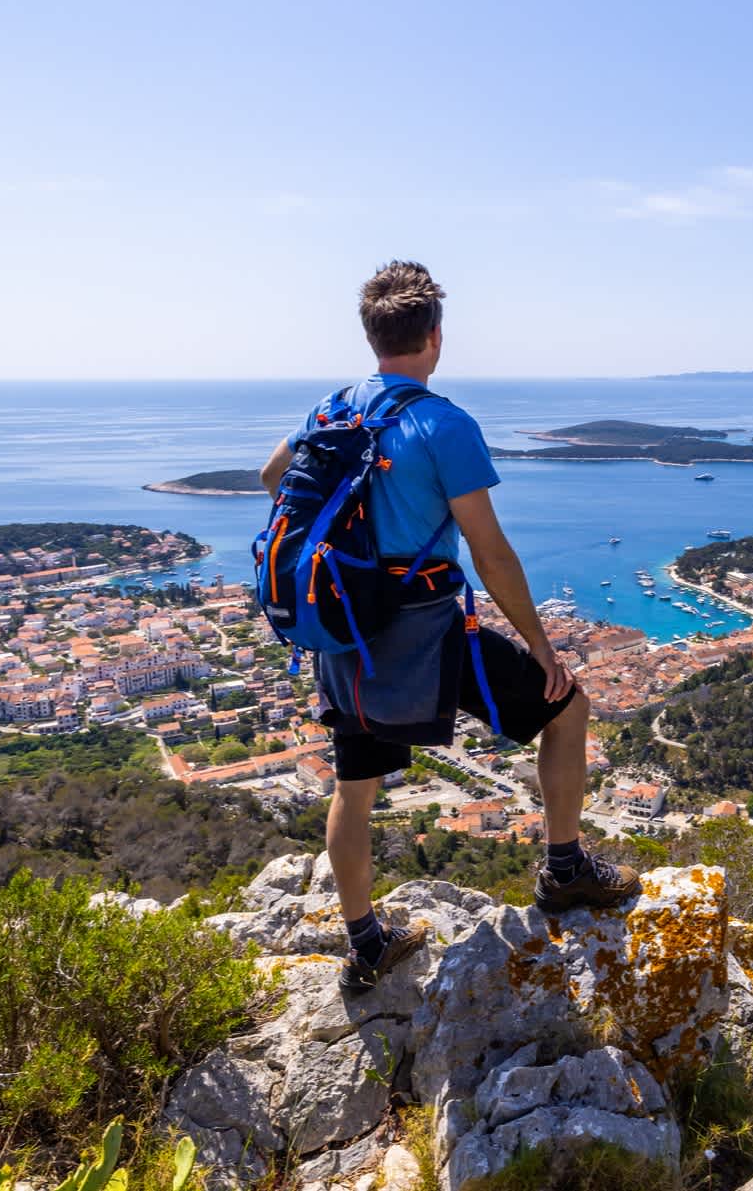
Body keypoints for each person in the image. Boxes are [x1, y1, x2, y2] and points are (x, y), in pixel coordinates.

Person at [258, 260, 642, 995]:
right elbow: (491, 552)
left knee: (355, 784)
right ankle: (564, 870)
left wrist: (350, 546)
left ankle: (366, 940)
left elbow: (271, 478)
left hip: (344, 631)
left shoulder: (333, 408)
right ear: (435, 337)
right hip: (425, 631)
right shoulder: (441, 423)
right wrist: (540, 646)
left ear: (372, 336)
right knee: (566, 707)